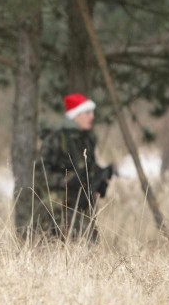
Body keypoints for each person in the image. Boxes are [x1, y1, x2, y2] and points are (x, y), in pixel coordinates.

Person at [34, 94, 113, 242]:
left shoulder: (87, 138)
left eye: (92, 112)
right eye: (87, 113)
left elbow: (86, 167)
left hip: (82, 204)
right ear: (75, 116)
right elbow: (40, 172)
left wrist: (99, 178)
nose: (92, 117)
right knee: (54, 247)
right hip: (58, 207)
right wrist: (66, 181)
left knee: (88, 245)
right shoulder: (56, 139)